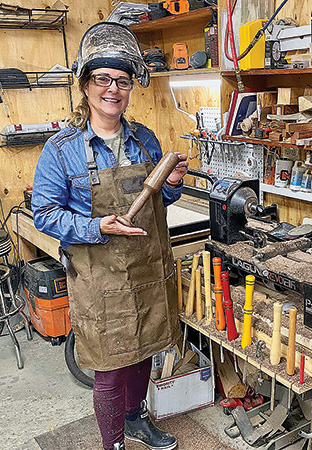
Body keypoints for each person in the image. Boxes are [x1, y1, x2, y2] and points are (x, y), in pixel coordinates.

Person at [32, 21, 188, 450]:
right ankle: (112, 442)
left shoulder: (145, 140)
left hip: (146, 270)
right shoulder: (60, 150)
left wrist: (171, 184)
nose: (113, 89)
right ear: (85, 85)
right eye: (102, 78)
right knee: (110, 366)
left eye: (122, 80)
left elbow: (158, 207)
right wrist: (94, 227)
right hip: (100, 278)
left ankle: (136, 420)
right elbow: (43, 215)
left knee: (145, 353)